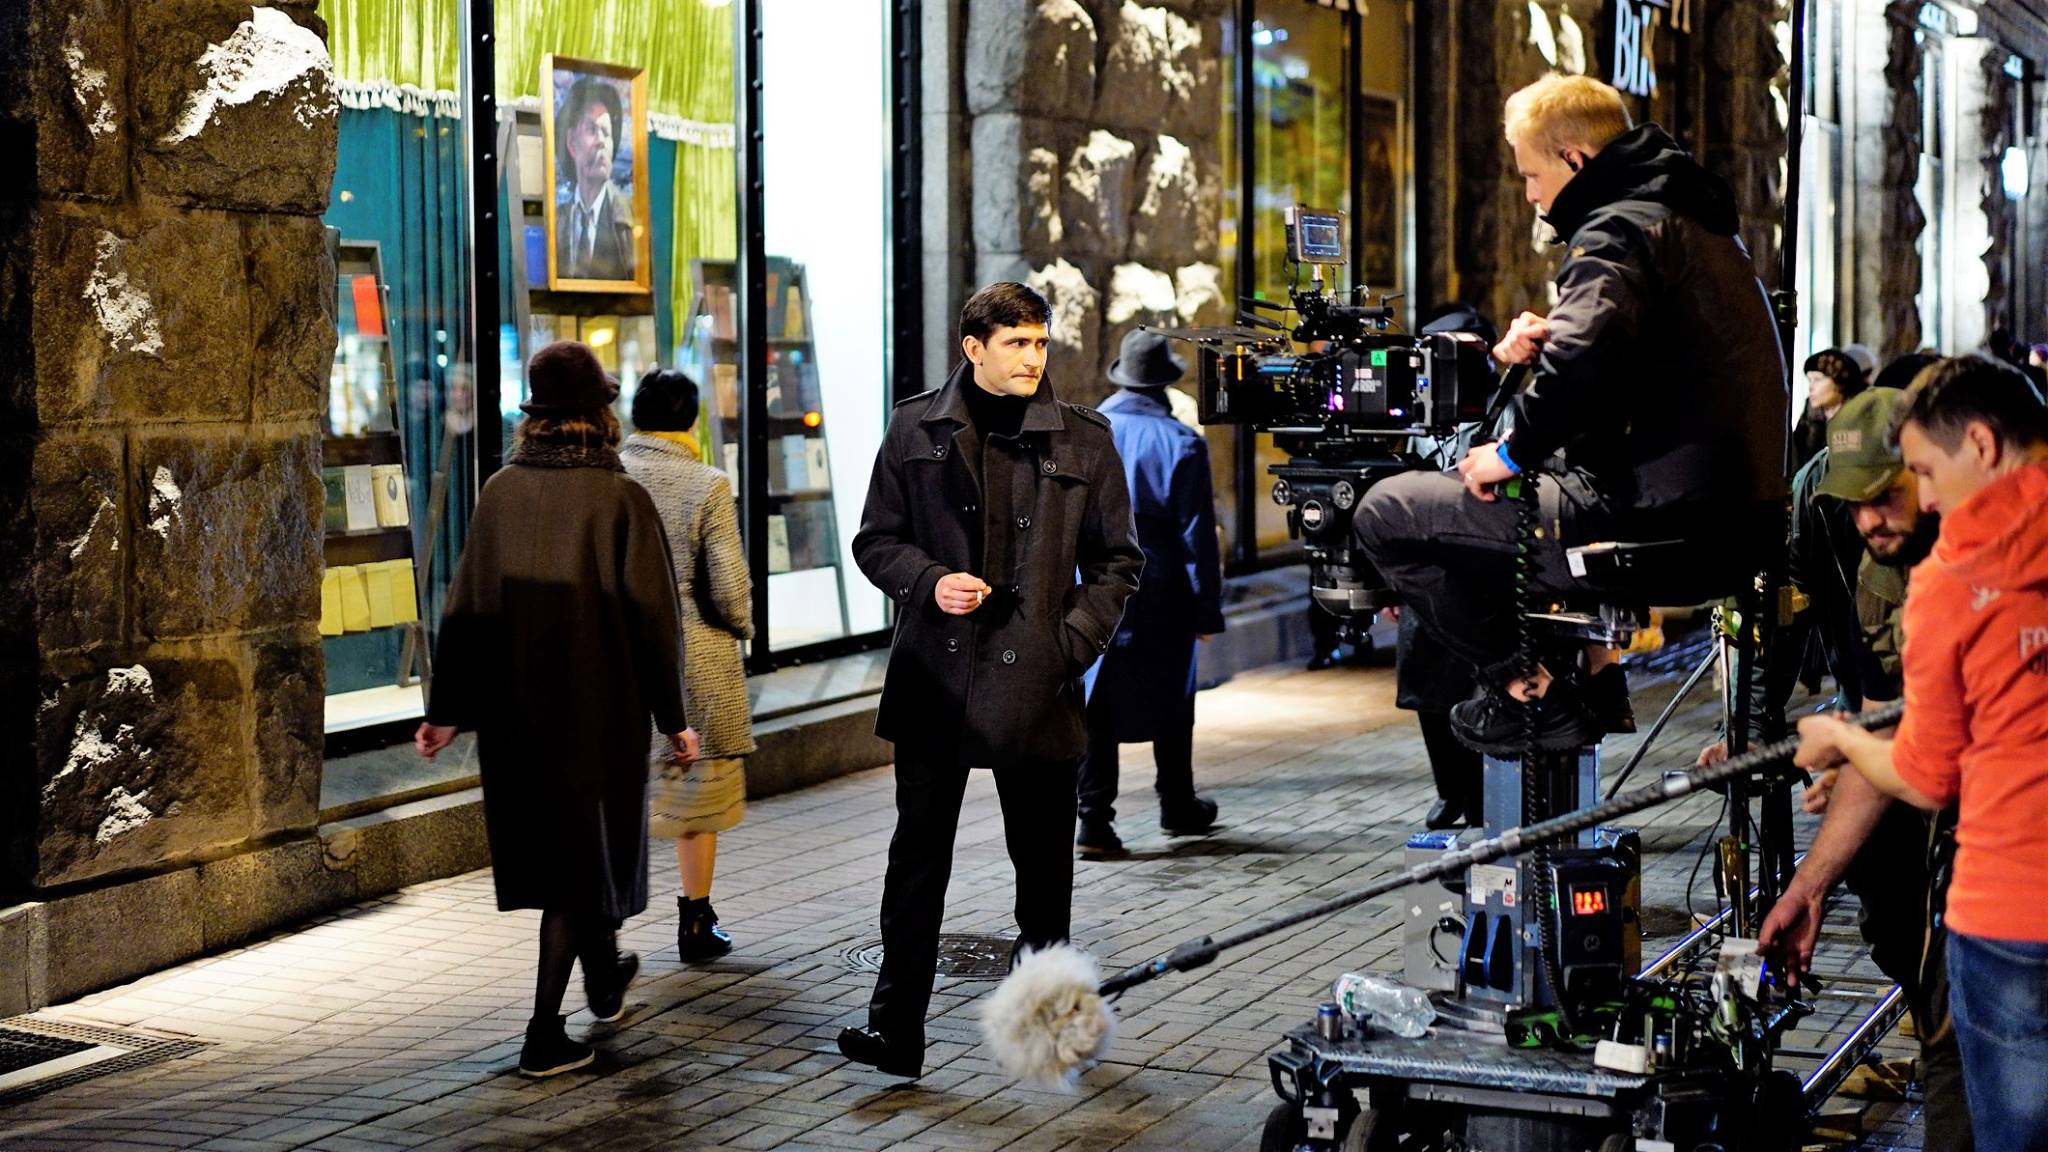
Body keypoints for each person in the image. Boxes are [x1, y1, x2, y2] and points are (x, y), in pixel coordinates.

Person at [1351, 73, 1787, 758]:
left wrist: (1509, 452)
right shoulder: (1690, 221)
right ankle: (1598, 682)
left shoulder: (1616, 230)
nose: (1529, 194)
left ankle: (1529, 692)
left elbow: (1582, 366)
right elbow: (1639, 356)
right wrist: (1554, 335)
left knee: (1387, 513)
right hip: (1731, 523)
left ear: (1575, 159)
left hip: (1659, 521)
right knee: (1484, 504)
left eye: (1531, 174)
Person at [838, 282, 1143, 1078]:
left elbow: (1117, 562)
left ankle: (1051, 1033)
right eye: (1017, 343)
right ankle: (895, 1031)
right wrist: (929, 581)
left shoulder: (1085, 438)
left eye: (1040, 342)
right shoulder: (915, 427)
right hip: (934, 681)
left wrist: (1067, 646)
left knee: (1043, 876)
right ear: (974, 348)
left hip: (1037, 685)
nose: (1034, 357)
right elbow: (875, 540)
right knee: (915, 868)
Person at [415, 341, 699, 1078]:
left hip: (517, 722)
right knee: (581, 869)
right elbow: (654, 621)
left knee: (570, 859)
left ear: (534, 418)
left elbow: (467, 607)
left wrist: (446, 711)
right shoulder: (620, 499)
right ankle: (544, 1032)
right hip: (596, 718)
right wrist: (674, 718)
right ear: (601, 416)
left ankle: (604, 977)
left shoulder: (501, 491)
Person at [1792, 356, 2048, 1149]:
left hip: (2010, 904)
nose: (1927, 498)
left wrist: (1840, 740)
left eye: (1919, 476)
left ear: (1981, 444)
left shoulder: (1957, 569)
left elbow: (1922, 770)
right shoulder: (1892, 570)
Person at [1746, 385, 1968, 1151]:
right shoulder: (1881, 566)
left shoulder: (1985, 562)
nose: (1870, 519)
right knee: (1946, 1025)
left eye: (1886, 495)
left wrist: (1855, 747)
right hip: (1962, 856)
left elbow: (1929, 756)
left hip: (2007, 870)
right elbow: (1887, 719)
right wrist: (1808, 886)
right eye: (1855, 503)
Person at [620, 369, 754, 963]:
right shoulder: (707, 483)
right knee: (696, 794)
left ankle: (607, 930)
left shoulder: (611, 474)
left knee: (618, 793)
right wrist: (742, 624)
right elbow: (727, 585)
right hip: (693, 655)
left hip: (620, 648)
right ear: (692, 420)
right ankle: (696, 922)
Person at [1075, 329, 1226, 858]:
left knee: (1094, 697)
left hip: (1093, 578)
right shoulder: (1182, 442)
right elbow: (1196, 536)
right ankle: (1176, 803)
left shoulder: (1085, 431)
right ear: (1166, 382)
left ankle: (1093, 819)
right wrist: (1206, 609)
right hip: (1160, 584)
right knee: (1173, 694)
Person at [554, 76, 637, 281]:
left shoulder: (631, 222)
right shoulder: (558, 222)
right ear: (571, 142)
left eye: (606, 132)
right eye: (591, 129)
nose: (601, 141)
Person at [1792, 348, 1868, 469]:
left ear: (1840, 382)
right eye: (1809, 380)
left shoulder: (1861, 421)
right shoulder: (1808, 422)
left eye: (1817, 379)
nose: (1811, 387)